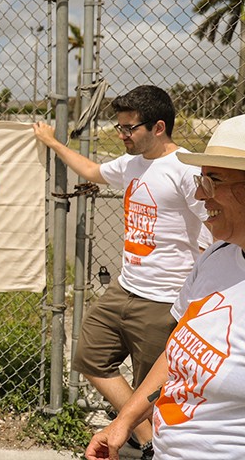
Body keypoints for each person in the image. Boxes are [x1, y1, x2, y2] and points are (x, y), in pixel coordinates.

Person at [32, 85, 210, 458]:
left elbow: (211, 233)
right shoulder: (132, 163)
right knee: (89, 356)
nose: (122, 135)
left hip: (165, 300)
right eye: (120, 127)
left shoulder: (185, 169)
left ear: (158, 127)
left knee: (155, 388)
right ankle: (145, 440)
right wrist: (52, 142)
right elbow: (93, 171)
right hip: (125, 288)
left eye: (130, 128)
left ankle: (157, 446)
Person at [85, 113, 245, 459]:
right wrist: (123, 423)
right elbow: (176, 353)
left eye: (212, 181)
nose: (201, 196)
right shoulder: (217, 257)